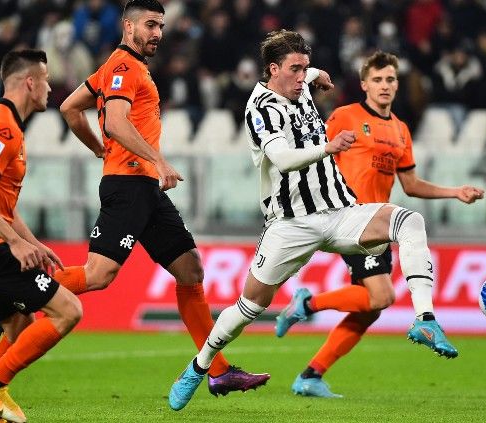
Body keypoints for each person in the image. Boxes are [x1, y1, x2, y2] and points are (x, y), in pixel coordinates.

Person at [168, 30, 466, 411]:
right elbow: (284, 159)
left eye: (304, 68)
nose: (301, 77)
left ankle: (425, 318)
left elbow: (311, 75)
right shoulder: (261, 108)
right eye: (294, 69)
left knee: (409, 221)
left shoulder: (301, 81)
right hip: (291, 224)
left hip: (340, 211)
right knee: (249, 307)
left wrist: (318, 73)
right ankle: (199, 367)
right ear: (272, 70)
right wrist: (330, 146)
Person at [16, 0, 265, 398]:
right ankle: (11, 297)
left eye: (161, 26)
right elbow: (115, 121)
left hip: (144, 187)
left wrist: (98, 150)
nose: (158, 33)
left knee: (191, 271)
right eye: (150, 24)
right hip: (130, 184)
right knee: (99, 275)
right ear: (128, 26)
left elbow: (69, 107)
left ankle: (217, 371)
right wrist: (158, 160)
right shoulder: (123, 67)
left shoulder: (115, 68)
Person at [275, 51, 486, 398]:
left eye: (390, 79)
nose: (384, 86)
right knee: (382, 295)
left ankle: (311, 373)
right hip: (349, 217)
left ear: (397, 84)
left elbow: (412, 185)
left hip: (380, 225)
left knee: (370, 310)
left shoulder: (400, 130)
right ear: (364, 84)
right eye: (377, 80)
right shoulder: (346, 116)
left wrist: (455, 192)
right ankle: (308, 305)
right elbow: (315, 151)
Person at [0, 49, 82, 423]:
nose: (50, 87)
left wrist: (31, 241)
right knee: (68, 311)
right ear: (30, 82)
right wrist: (12, 242)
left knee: (19, 329)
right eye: (46, 79)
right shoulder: (3, 129)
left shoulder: (2, 122)